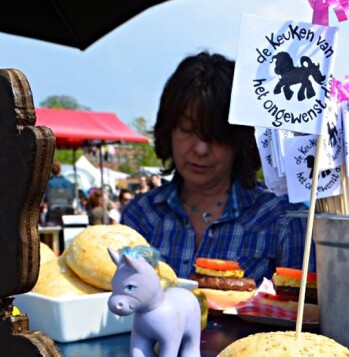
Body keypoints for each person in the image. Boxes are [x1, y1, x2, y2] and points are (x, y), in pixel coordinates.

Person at [121, 51, 312, 281]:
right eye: (188, 130)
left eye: (216, 136)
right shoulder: (140, 216)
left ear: (241, 140)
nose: (201, 149)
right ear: (168, 130)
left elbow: (300, 306)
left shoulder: (283, 218)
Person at [44, 161, 78, 226]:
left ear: (50, 171)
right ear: (60, 170)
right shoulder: (69, 183)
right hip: (68, 215)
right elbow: (73, 198)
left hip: (53, 217)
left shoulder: (49, 184)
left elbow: (46, 199)